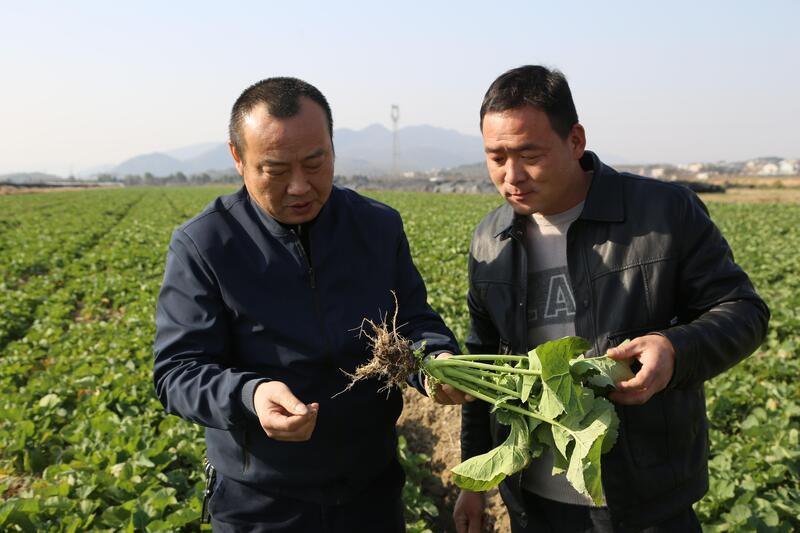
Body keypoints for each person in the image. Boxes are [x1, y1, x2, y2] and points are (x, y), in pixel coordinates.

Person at [450, 65, 769, 532]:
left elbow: (744, 311)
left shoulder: (662, 214)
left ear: (575, 141)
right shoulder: (489, 239)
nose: (511, 176)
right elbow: (483, 364)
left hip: (644, 502)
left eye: (529, 155)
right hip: (534, 505)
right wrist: (474, 480)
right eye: (496, 157)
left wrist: (675, 350)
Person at [152, 77, 458, 532]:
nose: (300, 187)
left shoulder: (377, 227)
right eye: (275, 170)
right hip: (260, 505)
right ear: (238, 158)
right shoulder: (205, 245)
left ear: (332, 147)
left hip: (370, 494)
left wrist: (436, 358)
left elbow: (412, 321)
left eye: (315, 163)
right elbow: (178, 370)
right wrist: (250, 396)